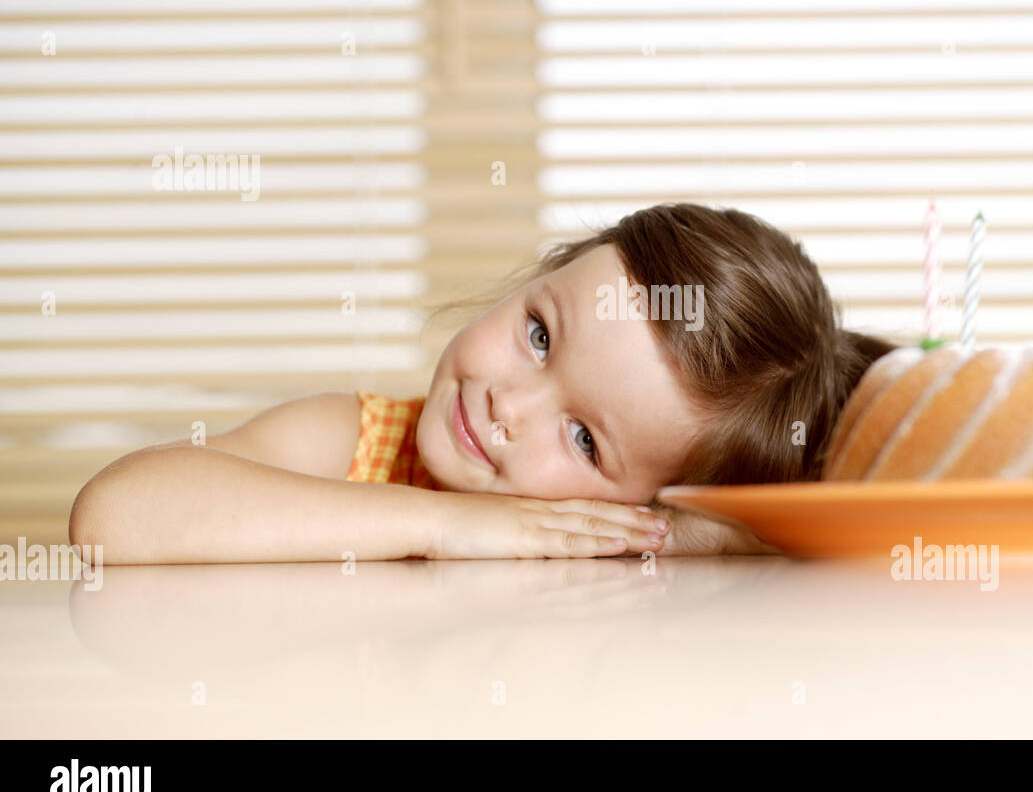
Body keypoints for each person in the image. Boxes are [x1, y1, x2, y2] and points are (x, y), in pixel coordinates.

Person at [70, 203, 896, 563]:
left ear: (642, 520)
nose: (508, 402)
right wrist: (445, 523)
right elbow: (114, 517)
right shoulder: (357, 440)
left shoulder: (611, 571)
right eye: (539, 334)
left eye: (583, 438)